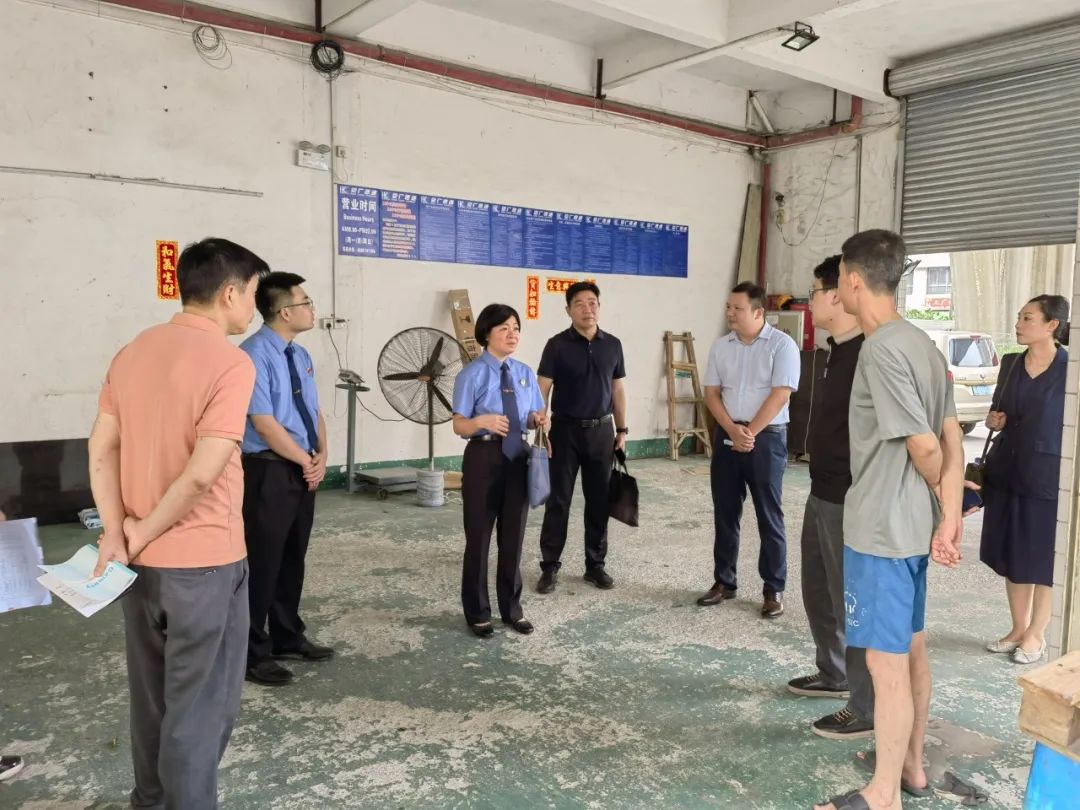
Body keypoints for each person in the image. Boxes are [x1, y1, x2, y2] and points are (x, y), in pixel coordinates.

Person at [90, 237, 267, 810]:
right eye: (254, 294)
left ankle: (149, 802)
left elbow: (101, 448)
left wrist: (118, 533)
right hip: (205, 564)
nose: (253, 308)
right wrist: (142, 531)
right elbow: (200, 475)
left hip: (136, 568)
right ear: (230, 292)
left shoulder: (133, 352)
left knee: (152, 702)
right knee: (199, 711)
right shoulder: (230, 362)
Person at [815, 229, 964, 810]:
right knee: (911, 649)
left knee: (885, 664)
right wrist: (947, 514)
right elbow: (953, 437)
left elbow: (925, 446)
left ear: (854, 280)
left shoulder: (880, 350)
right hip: (912, 528)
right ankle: (911, 768)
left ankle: (883, 794)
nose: (836, 290)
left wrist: (940, 502)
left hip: (881, 529)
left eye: (838, 280)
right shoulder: (924, 344)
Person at [786, 256, 875, 740]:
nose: (810, 301)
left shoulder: (868, 354)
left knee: (851, 603)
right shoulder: (835, 352)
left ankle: (865, 706)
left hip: (849, 498)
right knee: (818, 590)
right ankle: (834, 672)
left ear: (837, 295)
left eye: (815, 292)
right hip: (820, 490)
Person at [239, 272, 333, 687]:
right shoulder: (252, 355)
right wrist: (304, 460)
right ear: (284, 312)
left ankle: (287, 635)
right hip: (269, 469)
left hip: (301, 466)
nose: (312, 309)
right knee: (262, 562)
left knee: (293, 557)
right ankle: (251, 652)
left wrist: (321, 454)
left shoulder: (300, 354)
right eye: (306, 302)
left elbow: (313, 410)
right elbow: (262, 420)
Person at [698, 281, 800, 618]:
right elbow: (712, 393)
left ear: (758, 312)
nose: (730, 313)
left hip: (766, 438)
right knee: (725, 512)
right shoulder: (721, 346)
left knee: (769, 515)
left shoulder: (782, 345)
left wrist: (750, 433)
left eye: (737, 308)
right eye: (728, 307)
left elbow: (781, 394)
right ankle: (724, 582)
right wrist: (731, 430)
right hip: (728, 436)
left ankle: (773, 589)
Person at [979, 295, 1069, 665]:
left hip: (1047, 477)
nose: (1018, 324)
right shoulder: (1012, 363)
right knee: (1013, 552)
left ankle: (1037, 634)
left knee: (1043, 558)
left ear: (1052, 325)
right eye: (1019, 317)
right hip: (1007, 471)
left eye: (1027, 318)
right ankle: (1018, 628)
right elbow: (997, 410)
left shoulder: (1070, 367)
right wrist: (994, 419)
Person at [452, 303, 547, 637]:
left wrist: (537, 420)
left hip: (518, 456)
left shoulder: (524, 372)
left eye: (516, 328)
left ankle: (512, 609)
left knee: (513, 538)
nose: (512, 334)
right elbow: (459, 425)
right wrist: (481, 422)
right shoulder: (471, 374)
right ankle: (478, 612)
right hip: (483, 455)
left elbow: (534, 413)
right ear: (486, 334)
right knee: (478, 537)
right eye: (504, 328)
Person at [535, 282, 627, 593]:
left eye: (592, 303)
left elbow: (618, 389)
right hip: (564, 432)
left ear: (599, 307)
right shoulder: (556, 345)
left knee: (599, 500)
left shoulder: (612, 345)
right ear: (568, 310)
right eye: (580, 304)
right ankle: (550, 566)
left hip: (601, 431)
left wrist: (622, 430)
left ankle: (595, 566)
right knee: (558, 501)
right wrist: (540, 428)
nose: (588, 309)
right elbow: (542, 388)